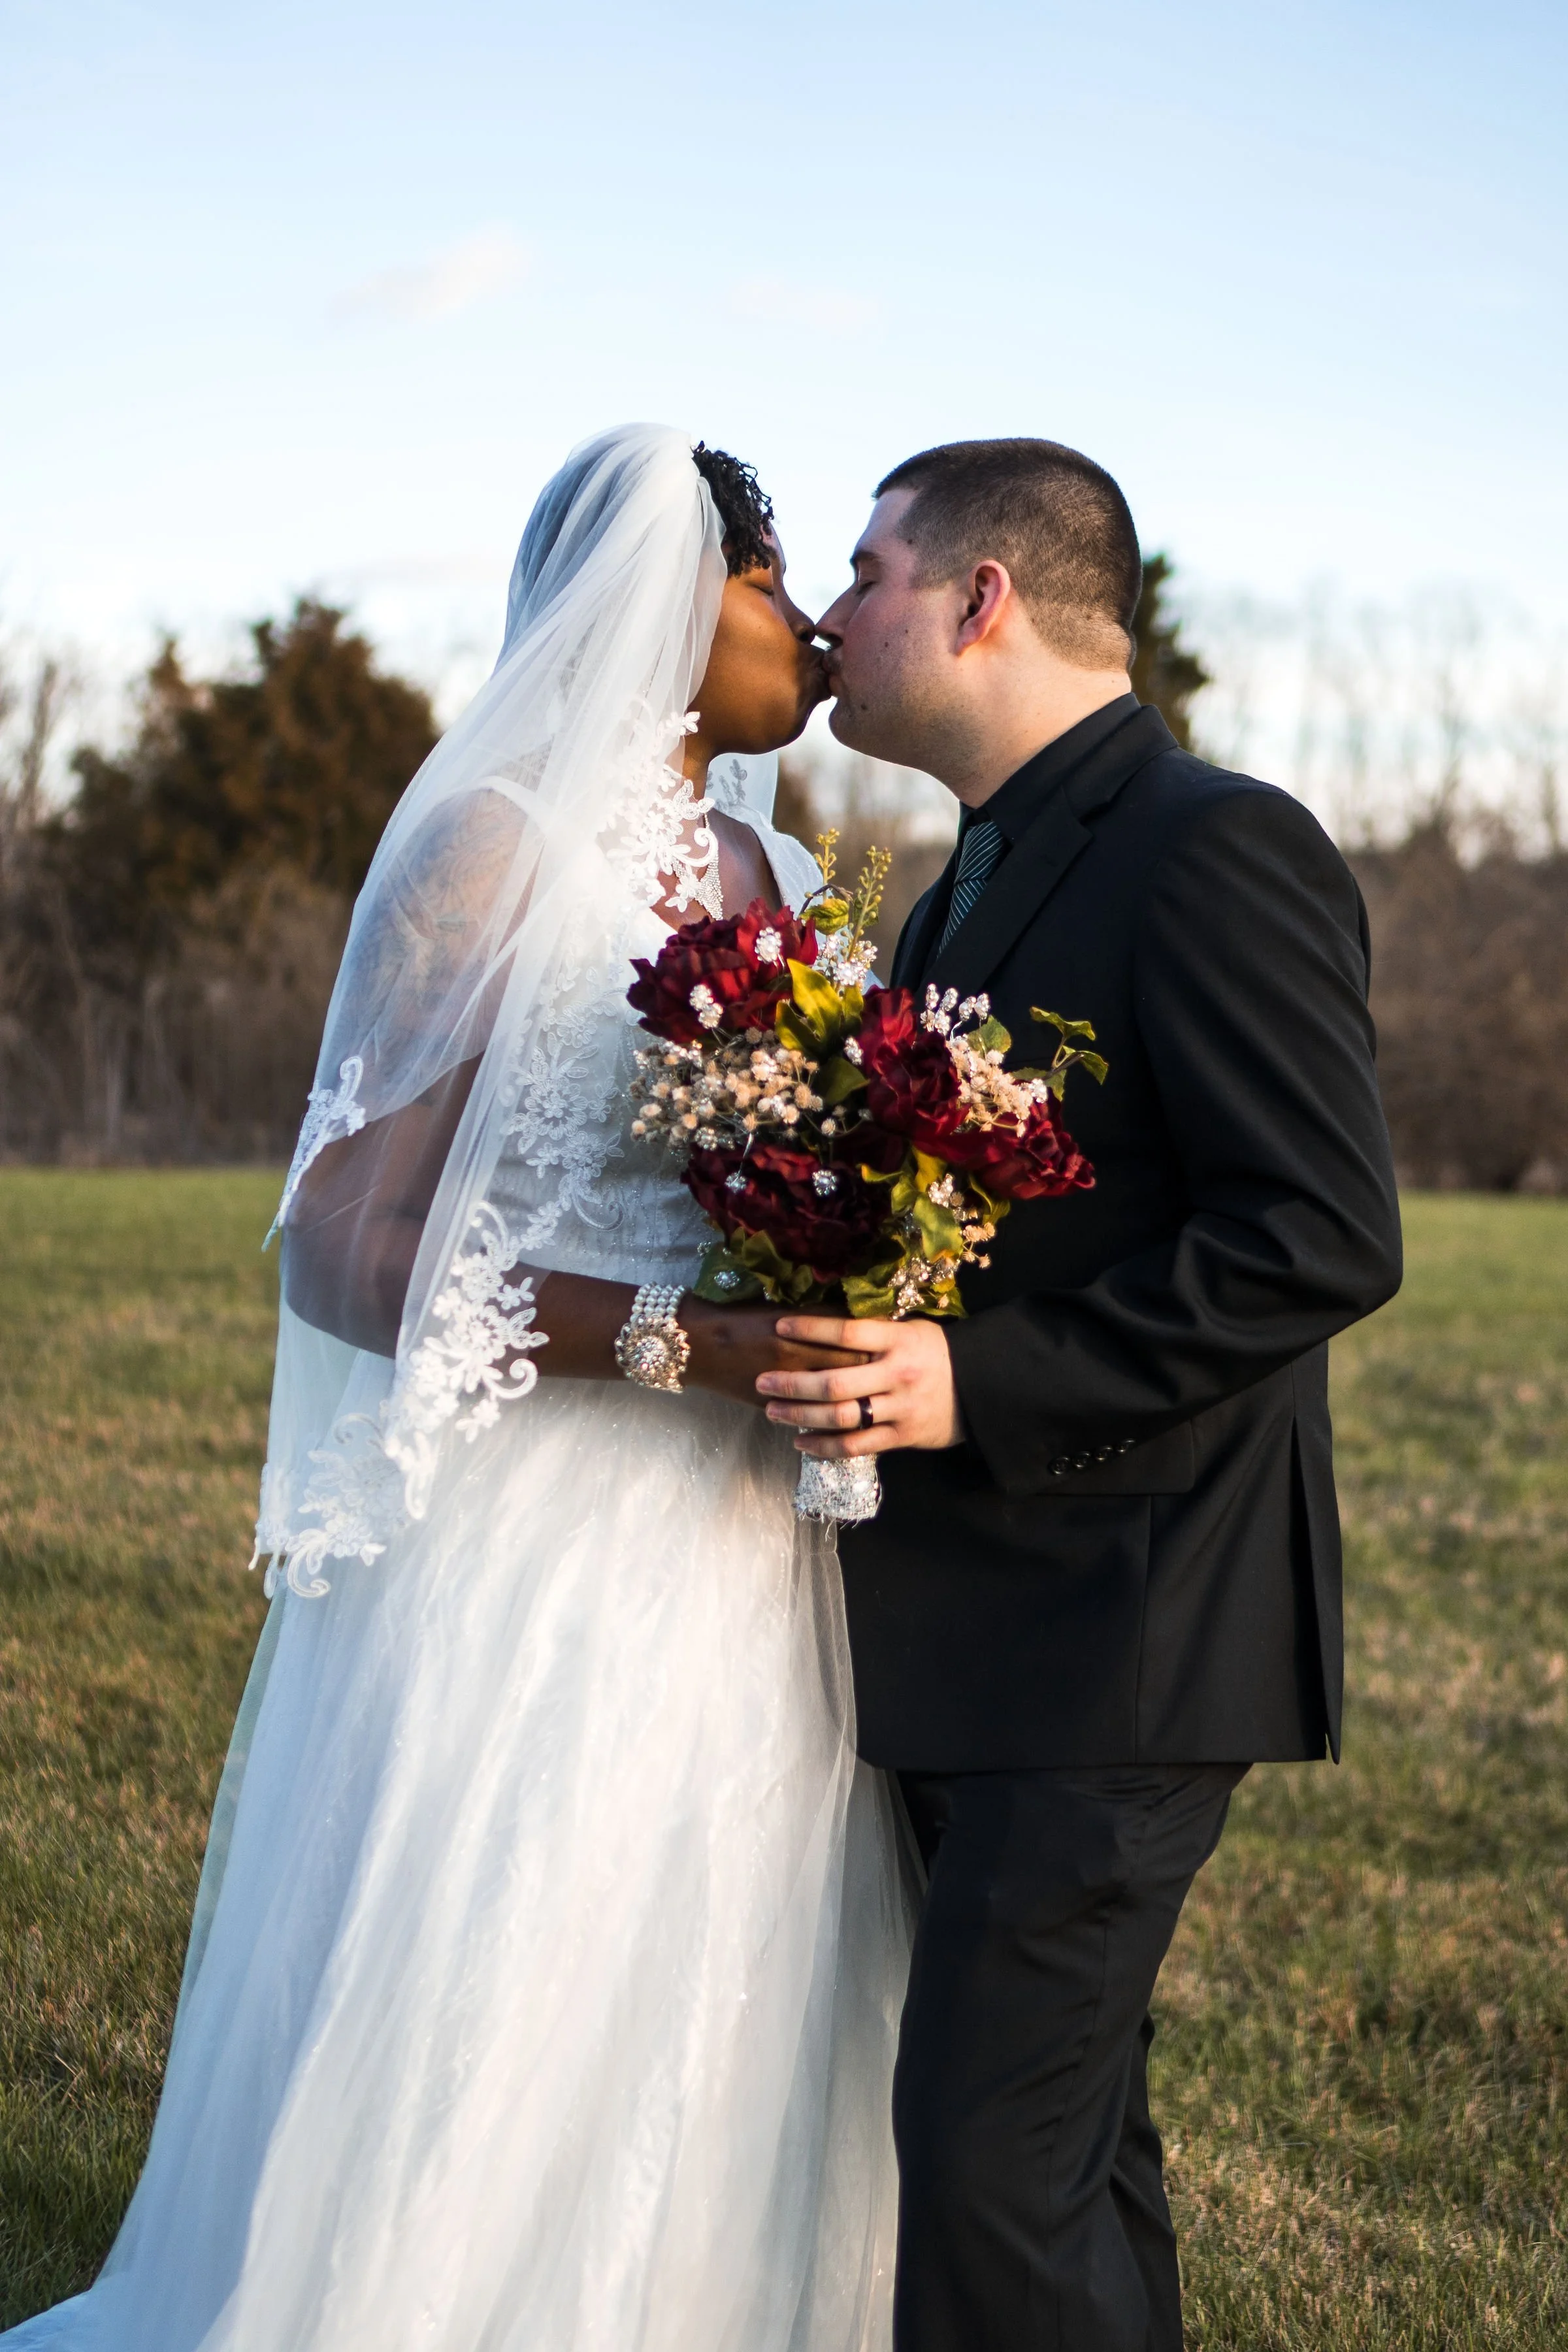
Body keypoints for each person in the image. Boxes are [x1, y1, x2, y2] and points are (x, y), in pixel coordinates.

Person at [3, 427, 913, 2352]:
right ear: (673, 597)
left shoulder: (769, 860)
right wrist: (671, 1344)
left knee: (718, 1944)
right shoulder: (487, 841)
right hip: (542, 1501)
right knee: (515, 1933)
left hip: (743, 1530)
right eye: (771, 585)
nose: (810, 625)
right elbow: (341, 1238)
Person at [760, 437, 1404, 2352]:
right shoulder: (961, 888)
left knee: (978, 2170)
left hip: (1134, 1615)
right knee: (1055, 2155)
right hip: (983, 1617)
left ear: (979, 600)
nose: (831, 617)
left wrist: (974, 1379)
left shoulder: (1216, 843)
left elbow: (1317, 1234)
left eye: (867, 573)